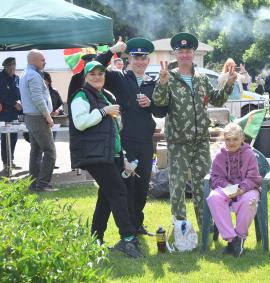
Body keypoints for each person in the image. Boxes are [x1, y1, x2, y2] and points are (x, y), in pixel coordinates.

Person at [153, 32, 236, 229]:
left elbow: (217, 99)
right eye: (181, 51)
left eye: (188, 51)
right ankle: (181, 228)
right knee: (178, 187)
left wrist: (229, 83)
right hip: (178, 142)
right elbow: (159, 102)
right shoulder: (170, 77)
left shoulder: (201, 78)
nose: (184, 55)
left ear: (193, 53)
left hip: (200, 142)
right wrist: (162, 82)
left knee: (204, 185)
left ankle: (206, 226)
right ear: (176, 54)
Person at [68, 61, 142, 258]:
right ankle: (128, 239)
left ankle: (95, 239)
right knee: (118, 192)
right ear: (85, 77)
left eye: (101, 73)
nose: (97, 76)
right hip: (95, 155)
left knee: (106, 197)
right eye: (92, 74)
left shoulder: (106, 96)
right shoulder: (81, 96)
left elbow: (115, 133)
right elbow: (80, 123)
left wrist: (123, 157)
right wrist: (103, 112)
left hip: (111, 154)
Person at [96, 37, 168, 236]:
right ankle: (127, 229)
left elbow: (161, 112)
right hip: (125, 140)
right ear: (129, 59)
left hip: (145, 142)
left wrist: (151, 104)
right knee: (127, 184)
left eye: (143, 58)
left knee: (143, 185)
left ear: (147, 61)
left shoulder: (153, 83)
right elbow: (96, 66)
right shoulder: (118, 78)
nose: (140, 61)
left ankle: (137, 224)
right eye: (136, 57)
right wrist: (113, 49)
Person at [207, 123, 262, 257]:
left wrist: (241, 189)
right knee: (213, 197)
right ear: (224, 139)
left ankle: (239, 237)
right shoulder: (219, 155)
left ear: (242, 138)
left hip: (247, 190)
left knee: (250, 200)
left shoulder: (249, 154)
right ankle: (233, 239)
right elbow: (214, 178)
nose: (231, 143)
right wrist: (228, 187)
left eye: (235, 139)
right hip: (226, 189)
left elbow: (253, 177)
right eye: (228, 139)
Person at [19, 50, 56, 192]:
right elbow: (38, 99)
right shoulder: (33, 75)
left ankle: (34, 184)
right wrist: (48, 116)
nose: (45, 62)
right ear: (33, 60)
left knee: (36, 151)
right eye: (42, 60)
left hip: (31, 116)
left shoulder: (26, 73)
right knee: (50, 151)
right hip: (37, 117)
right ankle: (42, 185)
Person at [0, 57, 22, 172]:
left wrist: (20, 102)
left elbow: (19, 93)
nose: (11, 70)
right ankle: (5, 163)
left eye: (13, 67)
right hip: (4, 113)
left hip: (15, 113)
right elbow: (2, 95)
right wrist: (14, 103)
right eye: (9, 68)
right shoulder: (1, 77)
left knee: (14, 137)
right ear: (5, 67)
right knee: (5, 138)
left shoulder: (17, 78)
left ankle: (11, 160)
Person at [43, 72, 64, 141]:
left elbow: (61, 105)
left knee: (51, 142)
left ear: (48, 81)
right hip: (42, 121)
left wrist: (57, 111)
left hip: (54, 121)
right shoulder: (38, 93)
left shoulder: (54, 92)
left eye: (44, 80)